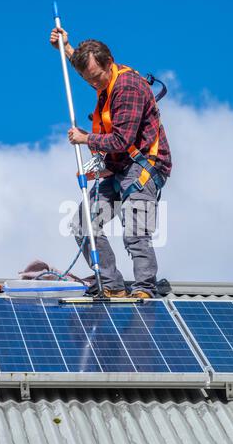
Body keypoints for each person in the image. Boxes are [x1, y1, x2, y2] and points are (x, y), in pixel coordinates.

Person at [50, 28, 172, 298]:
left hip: (144, 166)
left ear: (110, 63)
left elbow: (120, 140)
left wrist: (86, 138)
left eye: (96, 78)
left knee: (136, 230)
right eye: (87, 80)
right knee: (83, 225)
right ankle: (112, 284)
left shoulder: (128, 87)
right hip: (118, 167)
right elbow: (87, 67)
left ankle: (144, 289)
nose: (94, 84)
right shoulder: (101, 77)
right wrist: (66, 49)